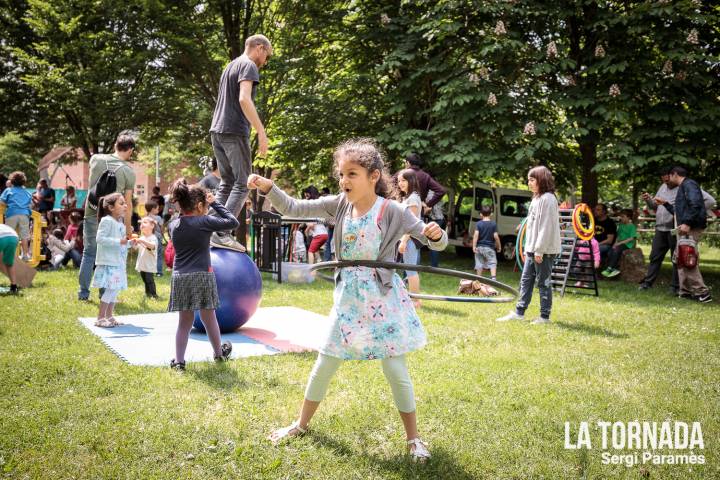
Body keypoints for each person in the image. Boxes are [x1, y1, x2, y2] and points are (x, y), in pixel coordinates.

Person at [252, 138, 447, 462]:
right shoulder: (339, 205)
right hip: (348, 301)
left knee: (395, 369)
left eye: (352, 174)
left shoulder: (393, 211)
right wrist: (270, 187)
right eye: (341, 174)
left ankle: (413, 440)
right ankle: (300, 425)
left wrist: (437, 235)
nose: (344, 181)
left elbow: (433, 243)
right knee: (325, 363)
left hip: (382, 299)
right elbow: (293, 208)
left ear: (373, 176)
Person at [208, 34, 272, 252]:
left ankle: (210, 228)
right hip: (234, 130)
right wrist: (261, 131)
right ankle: (222, 232)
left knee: (227, 182)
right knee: (244, 182)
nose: (265, 62)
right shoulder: (248, 65)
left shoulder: (231, 65)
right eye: (267, 56)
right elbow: (244, 98)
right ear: (260, 48)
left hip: (217, 130)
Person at [167, 179, 238, 370]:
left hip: (180, 276)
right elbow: (233, 222)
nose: (207, 209)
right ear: (199, 206)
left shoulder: (173, 225)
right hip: (202, 276)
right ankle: (218, 354)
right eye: (206, 206)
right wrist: (215, 202)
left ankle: (179, 362)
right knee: (209, 318)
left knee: (184, 322)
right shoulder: (204, 221)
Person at [497, 166, 561, 325]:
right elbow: (531, 226)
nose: (529, 183)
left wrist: (539, 250)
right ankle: (519, 313)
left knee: (543, 282)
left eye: (532, 180)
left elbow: (546, 227)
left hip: (544, 250)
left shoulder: (548, 199)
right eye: (528, 180)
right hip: (532, 249)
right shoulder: (536, 198)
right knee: (526, 280)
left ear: (542, 180)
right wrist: (527, 248)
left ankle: (544, 317)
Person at [78, 131, 136, 301]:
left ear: (116, 145)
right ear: (130, 150)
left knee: (88, 254)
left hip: (91, 211)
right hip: (112, 218)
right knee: (108, 256)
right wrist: (127, 229)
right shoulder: (128, 171)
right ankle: (104, 294)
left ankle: (83, 293)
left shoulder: (96, 159)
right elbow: (128, 203)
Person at [655, 167, 712, 303]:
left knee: (687, 258)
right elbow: (679, 210)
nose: (667, 179)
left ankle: (702, 292)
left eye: (669, 175)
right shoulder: (683, 186)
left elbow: (696, 205)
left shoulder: (689, 185)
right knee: (680, 258)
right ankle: (685, 291)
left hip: (690, 228)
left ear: (675, 174)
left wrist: (687, 222)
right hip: (684, 227)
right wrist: (666, 204)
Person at [91, 193, 130, 327]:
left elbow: (123, 242)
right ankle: (100, 318)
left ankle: (109, 315)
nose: (125, 205)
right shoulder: (106, 220)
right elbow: (100, 239)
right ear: (111, 207)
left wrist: (131, 242)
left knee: (115, 289)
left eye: (125, 203)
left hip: (118, 261)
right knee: (110, 289)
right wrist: (120, 241)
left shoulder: (120, 222)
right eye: (121, 203)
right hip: (109, 262)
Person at [639, 167, 679, 293]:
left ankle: (675, 287)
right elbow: (654, 206)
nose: (666, 183)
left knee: (676, 259)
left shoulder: (682, 189)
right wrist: (648, 200)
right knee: (655, 257)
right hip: (660, 229)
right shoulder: (662, 187)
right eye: (664, 181)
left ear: (673, 176)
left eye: (668, 180)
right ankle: (648, 283)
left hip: (674, 229)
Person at [396, 168, 424, 307]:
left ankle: (416, 300)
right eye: (399, 180)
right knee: (408, 269)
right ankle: (411, 298)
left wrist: (404, 241)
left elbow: (411, 224)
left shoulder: (413, 198)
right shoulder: (407, 197)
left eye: (403, 180)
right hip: (405, 238)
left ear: (411, 181)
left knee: (411, 269)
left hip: (410, 239)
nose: (400, 183)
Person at [0, 171, 33, 261]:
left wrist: (7, 205)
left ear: (12, 181)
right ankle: (25, 255)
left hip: (12, 214)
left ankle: (7, 255)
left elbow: (2, 201)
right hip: (24, 215)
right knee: (24, 236)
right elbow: (31, 204)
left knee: (8, 235)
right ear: (23, 181)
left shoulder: (8, 190)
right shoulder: (26, 192)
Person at [601, 209, 637, 278]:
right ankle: (614, 268)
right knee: (611, 250)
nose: (621, 218)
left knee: (617, 249)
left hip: (627, 244)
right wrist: (615, 243)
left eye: (623, 216)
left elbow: (632, 238)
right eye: (621, 216)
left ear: (628, 217)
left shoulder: (631, 226)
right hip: (619, 243)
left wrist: (619, 244)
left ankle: (610, 268)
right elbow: (618, 236)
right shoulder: (621, 225)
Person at [472, 205, 501, 280]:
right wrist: (499, 246)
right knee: (492, 262)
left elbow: (476, 235)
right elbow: (496, 237)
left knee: (479, 263)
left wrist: (474, 246)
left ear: (481, 214)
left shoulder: (478, 224)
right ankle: (493, 278)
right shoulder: (493, 224)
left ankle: (478, 279)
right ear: (491, 214)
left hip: (479, 247)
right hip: (489, 248)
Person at [134, 216, 159, 299]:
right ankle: (147, 293)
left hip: (149, 264)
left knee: (149, 280)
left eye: (144, 222)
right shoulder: (142, 237)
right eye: (141, 223)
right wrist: (134, 242)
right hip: (142, 264)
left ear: (152, 226)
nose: (142, 224)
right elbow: (135, 248)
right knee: (145, 280)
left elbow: (152, 246)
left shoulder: (153, 238)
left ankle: (154, 295)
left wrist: (141, 241)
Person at [145, 200, 165, 277]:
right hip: (158, 238)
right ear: (153, 209)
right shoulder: (158, 218)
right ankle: (159, 272)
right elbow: (162, 228)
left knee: (149, 254)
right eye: (157, 209)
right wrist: (162, 233)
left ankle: (149, 271)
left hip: (148, 239)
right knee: (159, 255)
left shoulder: (145, 218)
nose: (158, 210)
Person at [0, 224, 20, 293]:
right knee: (9, 263)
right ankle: (14, 287)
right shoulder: (2, 226)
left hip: (1, 238)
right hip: (14, 237)